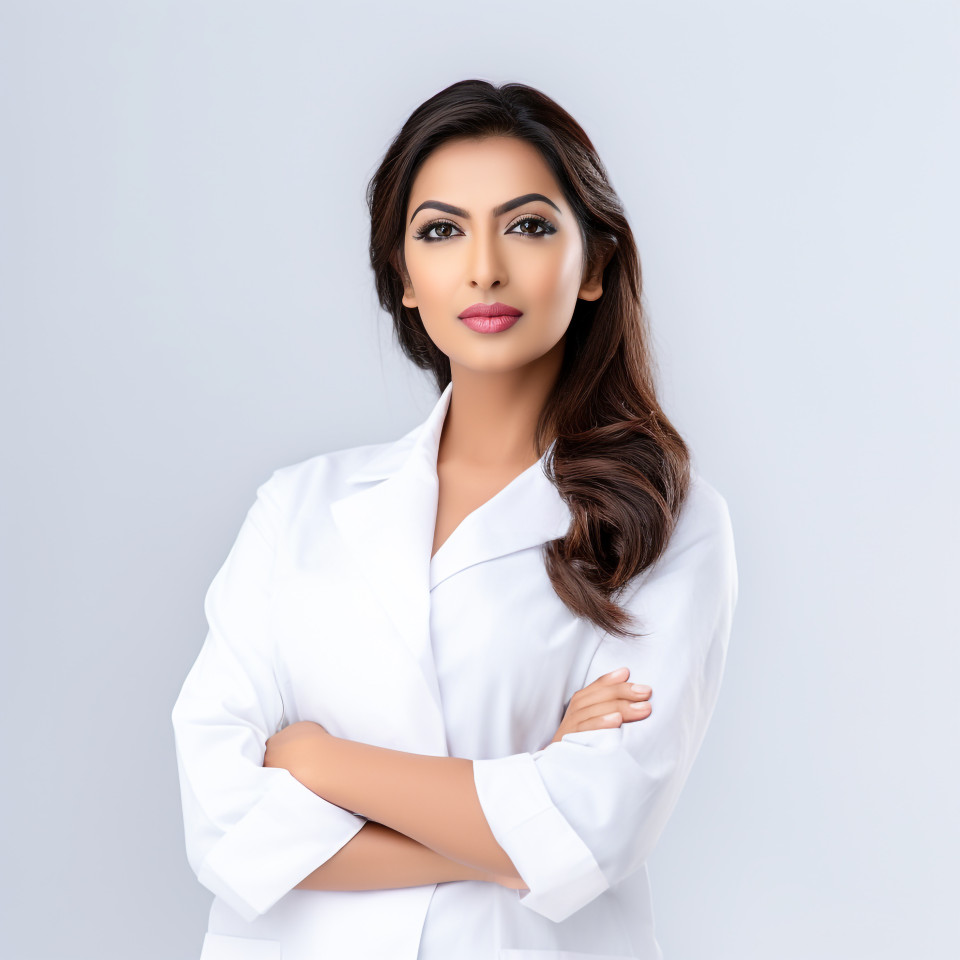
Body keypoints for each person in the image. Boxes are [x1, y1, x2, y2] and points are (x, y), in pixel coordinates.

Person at [171, 79, 738, 960]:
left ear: (593, 265)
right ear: (402, 277)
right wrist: (513, 819)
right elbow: (223, 823)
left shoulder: (663, 519)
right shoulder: (298, 508)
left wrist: (320, 764)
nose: (484, 267)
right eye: (441, 230)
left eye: (528, 225)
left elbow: (594, 830)